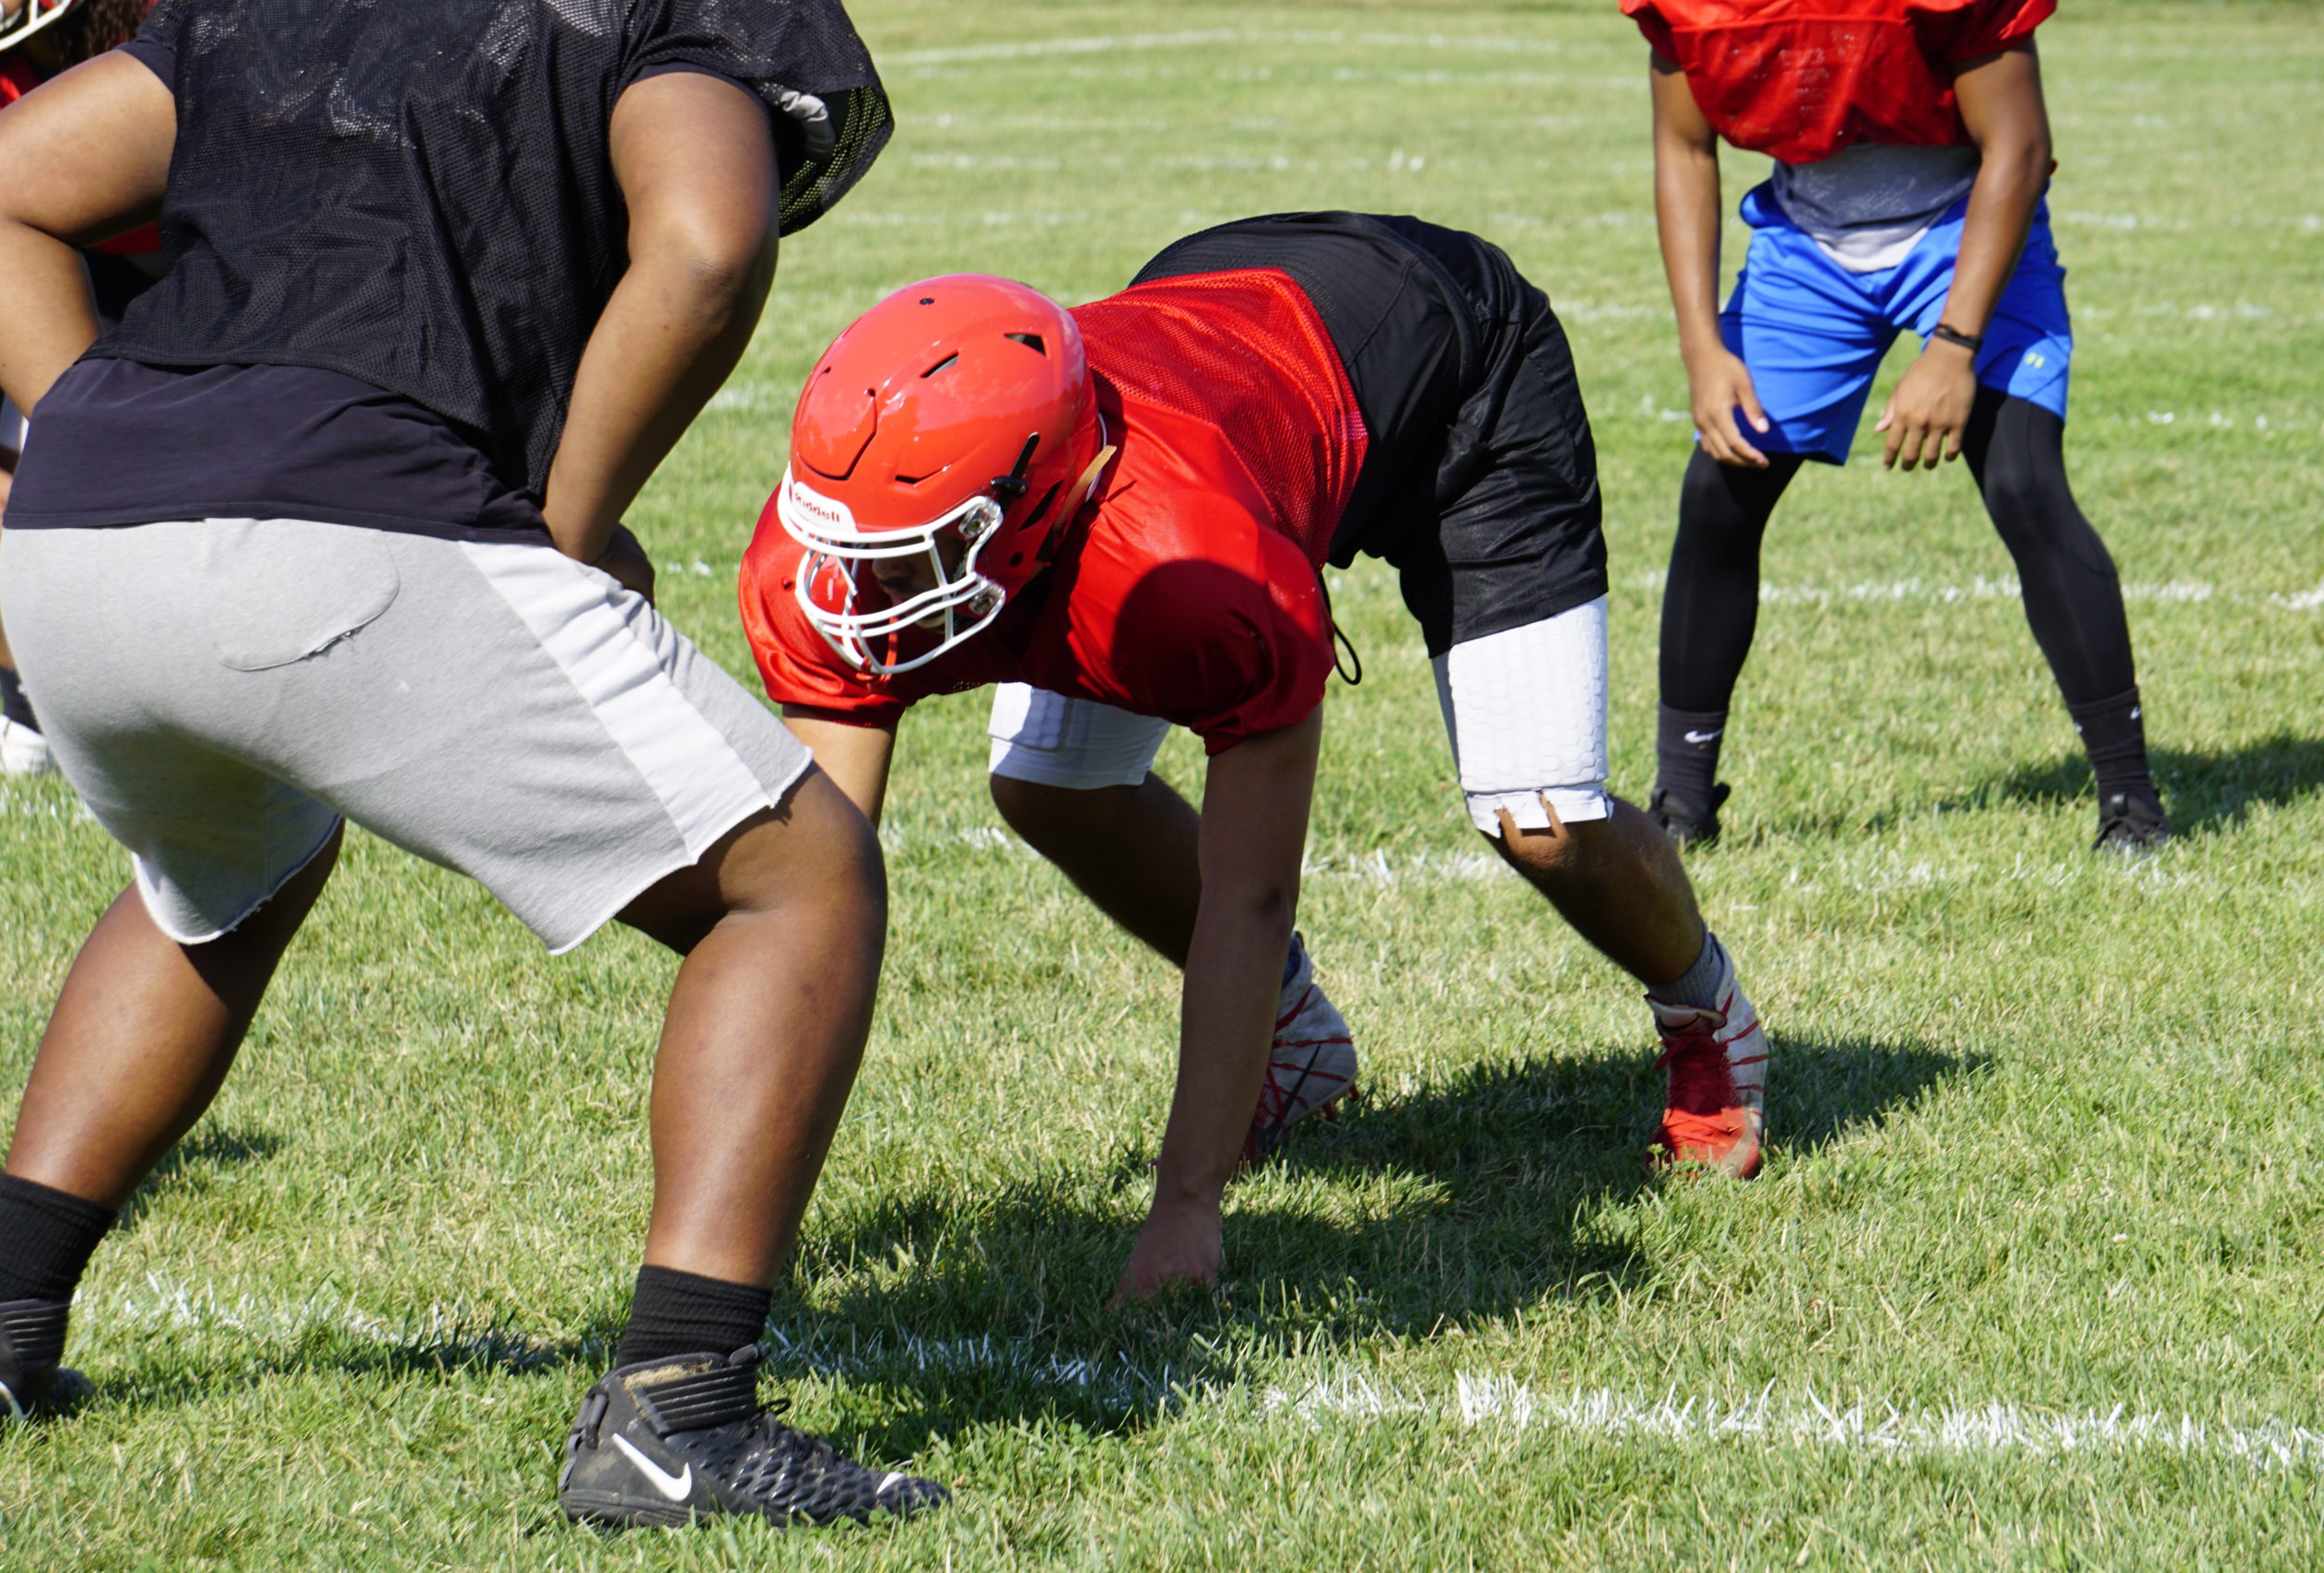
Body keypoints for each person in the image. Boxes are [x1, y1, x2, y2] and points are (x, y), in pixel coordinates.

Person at [0, 0, 951, 1532]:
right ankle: (679, 1410)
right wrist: (563, 526)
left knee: (212, 878)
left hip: (81, 546)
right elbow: (702, 240)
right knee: (800, 880)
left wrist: (89, 420)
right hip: (342, 522)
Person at [737, 214, 1771, 1308]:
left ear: (1044, 504)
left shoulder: (1194, 566)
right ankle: (1298, 1042)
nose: (859, 588)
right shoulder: (827, 561)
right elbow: (812, 904)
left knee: (1541, 820)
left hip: (1459, 362)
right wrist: (746, 1233)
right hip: (1230, 321)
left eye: (914, 555)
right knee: (1048, 785)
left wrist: (1185, 1207)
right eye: (852, 543)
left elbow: (1250, 890)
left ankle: (1705, 1012)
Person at [1624, 0, 2169, 853]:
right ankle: (1682, 807)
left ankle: (2133, 806)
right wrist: (1701, 346)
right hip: (1807, 239)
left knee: (2025, 483)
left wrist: (1953, 346)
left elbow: (2019, 149)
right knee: (1722, 490)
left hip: (1967, 216)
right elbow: (1683, 146)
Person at [0, 0, 156, 781]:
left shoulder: (157, 29)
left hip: (217, 251)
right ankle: (28, 720)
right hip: (81, 255)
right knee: (10, 476)